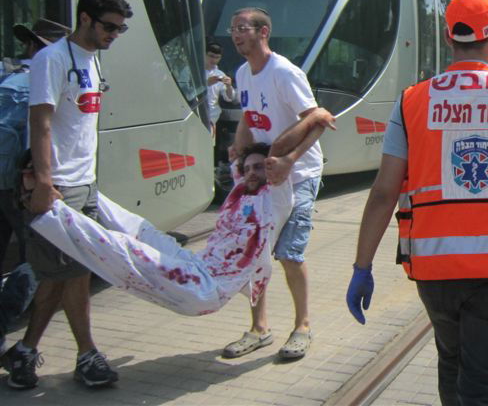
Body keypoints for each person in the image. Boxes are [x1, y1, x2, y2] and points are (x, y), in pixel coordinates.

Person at [344, 0, 488, 406]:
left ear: (448, 37)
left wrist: (362, 266)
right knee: (482, 385)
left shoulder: (411, 102)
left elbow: (383, 194)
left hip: (435, 268)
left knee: (451, 364)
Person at [25, 109, 333, 317]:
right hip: (194, 266)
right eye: (248, 168)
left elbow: (279, 150)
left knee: (126, 250)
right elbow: (241, 147)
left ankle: (51, 210)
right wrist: (249, 107)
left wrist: (315, 119)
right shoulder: (240, 190)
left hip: (204, 289)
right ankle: (79, 189)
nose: (252, 172)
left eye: (259, 168)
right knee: (141, 230)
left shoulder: (276, 197)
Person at [4, 0, 132, 390]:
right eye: (109, 27)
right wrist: (44, 183)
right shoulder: (52, 59)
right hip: (59, 185)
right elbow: (40, 122)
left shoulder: (91, 59)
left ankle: (26, 351)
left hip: (84, 183)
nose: (114, 35)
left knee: (61, 275)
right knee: (75, 272)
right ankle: (87, 355)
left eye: (120, 29)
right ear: (85, 19)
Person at [222, 6, 324, 361]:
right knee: (256, 253)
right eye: (233, 29)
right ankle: (259, 328)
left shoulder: (284, 73)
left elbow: (317, 121)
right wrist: (240, 149)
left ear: (263, 32)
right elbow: (249, 119)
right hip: (262, 175)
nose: (236, 35)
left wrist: (289, 160)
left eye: (242, 28)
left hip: (300, 175)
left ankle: (302, 327)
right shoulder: (242, 73)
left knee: (288, 254)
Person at [1, 20, 71, 275]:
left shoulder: (6, 71)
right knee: (31, 254)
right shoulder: (48, 78)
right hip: (20, 181)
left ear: (31, 45)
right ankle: (20, 298)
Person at [204, 42, 235, 133]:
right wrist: (205, 84)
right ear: (204, 54)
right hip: (194, 115)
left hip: (211, 119)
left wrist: (229, 86)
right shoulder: (193, 70)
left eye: (217, 57)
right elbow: (185, 91)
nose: (214, 60)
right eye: (211, 56)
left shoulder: (220, 74)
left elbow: (229, 98)